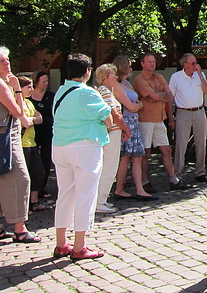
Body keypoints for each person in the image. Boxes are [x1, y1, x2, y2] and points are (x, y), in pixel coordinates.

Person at [52, 53, 112, 260]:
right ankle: (79, 246)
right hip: (84, 147)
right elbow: (108, 117)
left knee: (65, 194)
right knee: (85, 195)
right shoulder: (88, 93)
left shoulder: (60, 91)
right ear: (87, 72)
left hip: (60, 146)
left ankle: (61, 243)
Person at [0, 46, 38, 244]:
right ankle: (19, 229)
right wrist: (17, 88)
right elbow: (18, 111)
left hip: (0, 136)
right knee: (20, 179)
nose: (7, 63)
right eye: (2, 61)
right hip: (4, 137)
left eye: (7, 59)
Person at [133, 53, 185, 191]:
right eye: (149, 62)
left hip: (159, 119)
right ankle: (144, 181)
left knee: (166, 150)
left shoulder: (159, 77)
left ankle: (173, 179)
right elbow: (157, 95)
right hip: (145, 120)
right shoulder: (139, 79)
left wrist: (158, 98)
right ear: (142, 64)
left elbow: (169, 96)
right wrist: (159, 96)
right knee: (146, 152)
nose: (152, 64)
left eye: (153, 61)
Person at [112, 56, 155, 201]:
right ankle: (119, 189)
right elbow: (132, 105)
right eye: (129, 66)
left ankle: (139, 189)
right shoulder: (117, 86)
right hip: (127, 121)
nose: (131, 68)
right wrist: (140, 105)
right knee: (126, 156)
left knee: (136, 156)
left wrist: (138, 105)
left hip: (134, 121)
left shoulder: (128, 84)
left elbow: (135, 103)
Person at [169, 53, 207, 184]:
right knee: (181, 144)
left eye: (196, 63)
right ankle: (177, 173)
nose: (196, 65)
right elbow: (170, 97)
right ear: (185, 64)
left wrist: (200, 75)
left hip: (199, 111)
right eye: (193, 63)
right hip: (183, 112)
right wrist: (171, 117)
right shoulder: (176, 77)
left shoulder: (200, 75)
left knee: (201, 143)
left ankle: (200, 172)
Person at [94, 64, 131, 214]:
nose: (116, 77)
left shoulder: (106, 91)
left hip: (111, 132)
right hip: (112, 133)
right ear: (104, 77)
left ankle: (101, 199)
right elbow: (114, 114)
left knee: (108, 165)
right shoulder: (105, 92)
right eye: (112, 75)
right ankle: (100, 200)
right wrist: (125, 128)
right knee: (109, 166)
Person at [18, 76, 49, 212]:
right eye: (28, 87)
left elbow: (39, 119)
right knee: (25, 176)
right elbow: (23, 121)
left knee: (39, 172)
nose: (31, 89)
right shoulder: (17, 102)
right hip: (22, 144)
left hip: (32, 143)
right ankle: (23, 206)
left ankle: (34, 201)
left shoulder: (29, 103)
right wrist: (32, 120)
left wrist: (31, 120)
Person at [29, 70, 55, 199]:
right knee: (32, 161)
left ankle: (41, 188)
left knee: (46, 160)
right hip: (32, 132)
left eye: (47, 81)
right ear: (36, 82)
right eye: (43, 81)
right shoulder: (28, 96)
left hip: (47, 132)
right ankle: (31, 188)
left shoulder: (50, 96)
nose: (46, 83)